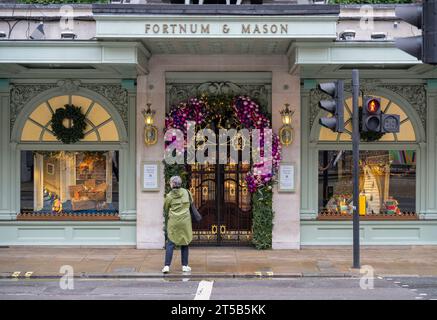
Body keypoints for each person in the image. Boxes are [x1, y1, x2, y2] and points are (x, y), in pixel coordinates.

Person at [162, 175, 193, 274]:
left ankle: (167, 266)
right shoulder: (186, 192)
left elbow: (165, 209)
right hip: (185, 222)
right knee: (185, 242)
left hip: (174, 222)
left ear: (172, 184)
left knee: (170, 243)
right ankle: (185, 265)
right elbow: (191, 202)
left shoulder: (169, 196)